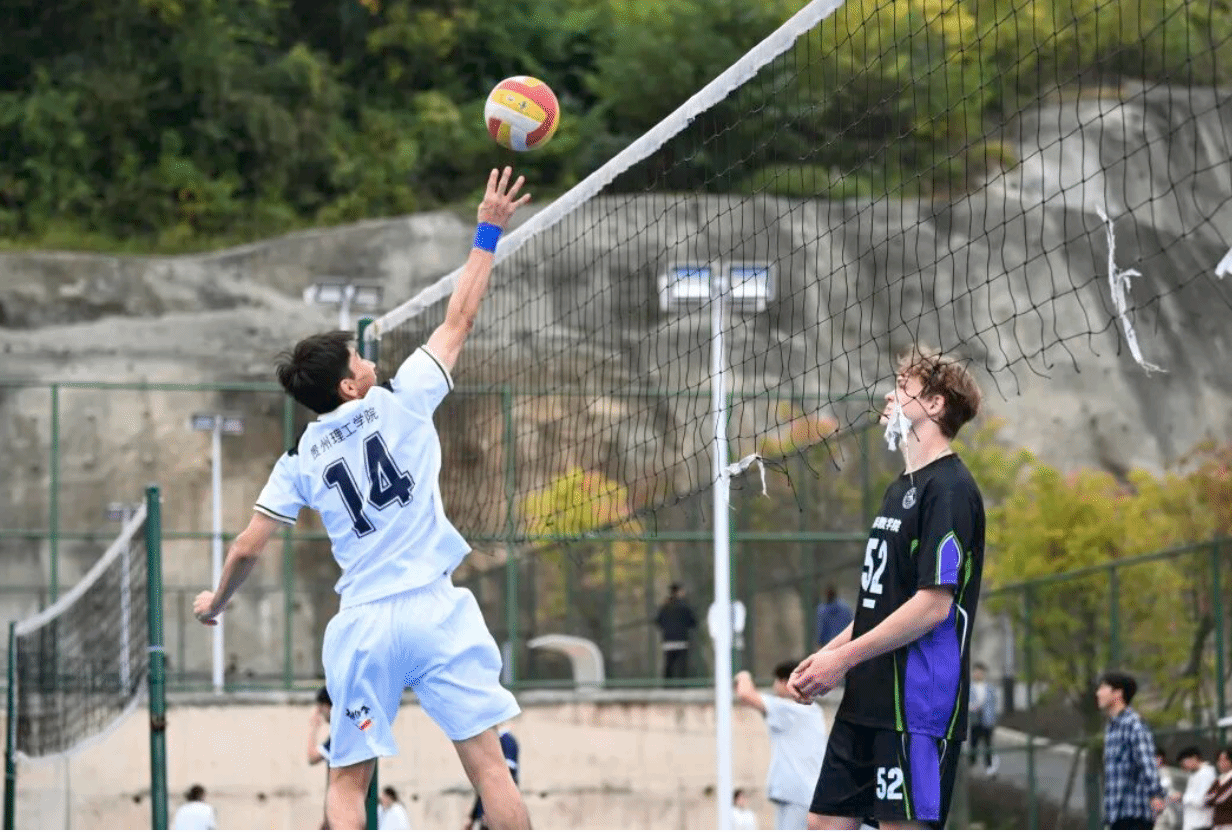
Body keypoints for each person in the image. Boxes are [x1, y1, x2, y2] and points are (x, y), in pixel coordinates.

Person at [193, 167, 533, 831]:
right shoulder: (404, 399)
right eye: (358, 360)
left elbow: (248, 547)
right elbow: (460, 317)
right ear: (349, 387)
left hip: (365, 627)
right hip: (434, 611)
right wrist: (488, 230)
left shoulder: (298, 459)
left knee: (347, 783)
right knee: (491, 769)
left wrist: (217, 604)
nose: (369, 362)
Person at [787, 345, 985, 830]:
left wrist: (844, 659)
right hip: (867, 696)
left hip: (916, 706)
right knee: (823, 824)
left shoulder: (951, 489)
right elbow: (880, 607)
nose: (889, 397)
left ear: (935, 403)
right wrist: (825, 656)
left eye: (902, 387)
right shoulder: (901, 488)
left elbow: (932, 607)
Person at [735, 663, 827, 830]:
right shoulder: (813, 711)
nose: (774, 686)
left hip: (796, 796)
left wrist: (743, 675)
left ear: (785, 682)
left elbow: (745, 694)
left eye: (776, 681)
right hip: (805, 795)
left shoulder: (790, 709)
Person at [1097, 672, 1167, 830]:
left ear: (1118, 693)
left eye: (1102, 688)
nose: (1098, 693)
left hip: (1134, 814)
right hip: (1116, 815)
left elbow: (1146, 762)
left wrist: (1155, 794)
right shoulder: (1111, 728)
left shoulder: (1134, 724)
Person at [466, 725, 519, 829]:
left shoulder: (506, 741)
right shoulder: (492, 743)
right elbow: (485, 786)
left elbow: (505, 780)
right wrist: (473, 817)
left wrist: (495, 810)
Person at [655, 583, 697, 680]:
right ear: (679, 592)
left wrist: (667, 629)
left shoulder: (665, 607)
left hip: (668, 641)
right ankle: (682, 685)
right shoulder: (685, 606)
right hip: (681, 641)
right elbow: (693, 622)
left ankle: (668, 685)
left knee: (669, 665)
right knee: (682, 666)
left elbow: (658, 621)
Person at [968, 661, 999, 776]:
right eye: (976, 672)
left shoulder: (990, 688)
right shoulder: (969, 688)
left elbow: (994, 705)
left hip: (987, 721)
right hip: (975, 720)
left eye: (980, 672)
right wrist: (972, 707)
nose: (978, 674)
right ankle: (971, 768)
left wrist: (993, 719)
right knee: (973, 745)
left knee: (988, 745)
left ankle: (989, 767)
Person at [308, 686, 332, 829]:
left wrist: (314, 727)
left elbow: (312, 757)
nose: (320, 712)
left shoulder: (339, 737)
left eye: (320, 707)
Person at [1177, 746, 1216, 830]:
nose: (1184, 766)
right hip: (1193, 824)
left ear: (1194, 758)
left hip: (1201, 825)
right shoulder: (1194, 774)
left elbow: (1202, 800)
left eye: (1184, 762)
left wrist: (1182, 797)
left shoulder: (1207, 774)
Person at [814, 585, 853, 650]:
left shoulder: (822, 610)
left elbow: (821, 630)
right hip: (845, 643)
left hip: (830, 645)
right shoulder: (845, 608)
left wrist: (819, 645)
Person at [1206, 747, 1232, 830]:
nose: (1221, 763)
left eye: (1224, 760)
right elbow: (1206, 799)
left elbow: (1220, 799)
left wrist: (1215, 796)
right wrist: (1215, 797)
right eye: (1219, 760)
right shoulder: (1219, 780)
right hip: (1217, 825)